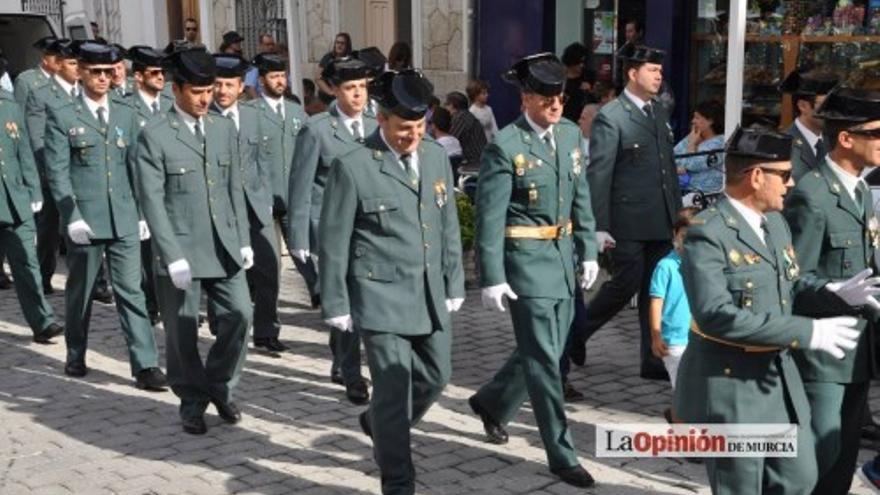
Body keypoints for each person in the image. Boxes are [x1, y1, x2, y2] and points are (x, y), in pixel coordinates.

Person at [674, 125, 873, 494]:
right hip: (733, 383)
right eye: (783, 175)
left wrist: (835, 292)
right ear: (756, 176)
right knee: (742, 486)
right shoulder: (709, 232)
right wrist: (808, 332)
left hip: (779, 378)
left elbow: (793, 282)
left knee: (799, 478)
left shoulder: (775, 224)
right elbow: (715, 315)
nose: (791, 183)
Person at [318, 68, 464, 495]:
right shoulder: (354, 165)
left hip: (429, 294)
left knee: (437, 376)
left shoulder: (436, 156)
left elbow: (447, 224)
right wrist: (336, 302)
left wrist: (454, 281)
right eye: (403, 128)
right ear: (381, 119)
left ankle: (378, 423)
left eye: (419, 127)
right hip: (379, 296)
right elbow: (334, 240)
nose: (412, 136)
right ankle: (398, 481)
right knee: (393, 389)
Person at [469, 53, 598, 488]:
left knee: (543, 348)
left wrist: (590, 248)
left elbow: (580, 194)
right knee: (546, 361)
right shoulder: (506, 146)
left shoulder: (568, 136)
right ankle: (561, 454)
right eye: (546, 99)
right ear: (526, 99)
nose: (556, 105)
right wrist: (491, 275)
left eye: (560, 97)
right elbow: (490, 215)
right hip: (525, 265)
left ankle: (492, 401)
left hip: (562, 261)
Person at [135, 47, 253, 435]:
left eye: (211, 90)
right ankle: (190, 400)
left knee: (240, 314)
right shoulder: (154, 136)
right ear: (176, 89)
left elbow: (234, 186)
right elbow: (151, 201)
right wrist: (171, 256)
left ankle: (218, 386)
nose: (207, 99)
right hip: (181, 249)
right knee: (182, 331)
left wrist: (244, 240)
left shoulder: (222, 128)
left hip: (223, 245)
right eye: (198, 92)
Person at [41, 42, 166, 390]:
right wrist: (72, 215)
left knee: (132, 292)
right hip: (86, 221)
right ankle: (76, 352)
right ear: (80, 72)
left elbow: (136, 168)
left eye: (107, 73)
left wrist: (142, 212)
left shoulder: (126, 113)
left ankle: (145, 364)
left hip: (124, 217)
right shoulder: (63, 114)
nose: (101, 79)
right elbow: (57, 172)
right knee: (80, 293)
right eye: (94, 72)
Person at [783, 67, 880, 495]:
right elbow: (791, 278)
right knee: (818, 456)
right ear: (847, 138)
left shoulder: (858, 190)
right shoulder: (813, 193)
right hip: (824, 352)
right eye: (876, 132)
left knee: (844, 454)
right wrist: (833, 291)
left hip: (860, 347)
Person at [571, 46, 681, 379]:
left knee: (655, 289)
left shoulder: (657, 111)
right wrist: (598, 225)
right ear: (632, 74)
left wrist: (677, 217)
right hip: (627, 221)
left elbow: (667, 169)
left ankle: (652, 358)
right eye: (652, 69)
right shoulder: (612, 115)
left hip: (661, 219)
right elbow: (600, 173)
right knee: (625, 284)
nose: (658, 75)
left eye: (660, 70)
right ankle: (575, 335)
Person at [288, 56, 375, 403]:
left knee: (360, 300)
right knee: (346, 300)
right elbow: (301, 184)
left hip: (368, 229)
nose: (358, 95)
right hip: (328, 230)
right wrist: (298, 238)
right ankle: (352, 373)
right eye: (351, 88)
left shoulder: (376, 125)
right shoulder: (317, 129)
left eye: (363, 88)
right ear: (335, 91)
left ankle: (341, 360)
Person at [211, 52, 278, 361]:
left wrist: (264, 199)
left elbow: (263, 161)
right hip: (220, 207)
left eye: (229, 84)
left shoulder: (254, 116)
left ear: (241, 87)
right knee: (221, 268)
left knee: (269, 268)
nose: (222, 91)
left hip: (254, 205)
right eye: (217, 84)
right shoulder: (205, 117)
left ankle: (266, 331)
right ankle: (222, 327)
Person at [0, 82, 65, 343]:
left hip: (15, 199)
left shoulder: (9, 105)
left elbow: (23, 150)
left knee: (27, 262)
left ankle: (43, 321)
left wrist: (34, 191)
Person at [243, 53, 308, 309]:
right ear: (261, 80)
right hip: (264, 201)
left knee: (305, 253)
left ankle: (320, 296)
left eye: (282, 76)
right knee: (270, 264)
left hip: (292, 197)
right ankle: (267, 327)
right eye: (274, 76)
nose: (280, 81)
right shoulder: (250, 112)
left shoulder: (295, 111)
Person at [26, 39, 81, 295]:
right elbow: (37, 137)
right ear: (58, 65)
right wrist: (48, 171)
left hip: (82, 171)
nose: (77, 68)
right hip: (53, 171)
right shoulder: (41, 94)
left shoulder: (85, 91)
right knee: (49, 229)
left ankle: (95, 281)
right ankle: (44, 275)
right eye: (72, 63)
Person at [127, 45, 173, 325]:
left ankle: (173, 302)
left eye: (163, 73)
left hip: (173, 190)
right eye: (154, 73)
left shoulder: (170, 103)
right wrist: (139, 210)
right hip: (144, 193)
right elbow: (131, 161)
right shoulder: (128, 109)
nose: (161, 78)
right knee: (150, 257)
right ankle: (152, 303)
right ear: (139, 77)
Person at [648, 206, 697, 420]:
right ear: (675, 235)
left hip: (698, 336)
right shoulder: (665, 266)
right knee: (684, 390)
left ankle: (677, 417)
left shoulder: (702, 264)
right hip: (674, 340)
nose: (688, 242)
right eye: (684, 236)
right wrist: (656, 335)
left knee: (696, 387)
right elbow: (656, 302)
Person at [779, 67, 839, 182]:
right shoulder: (784, 147)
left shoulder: (833, 142)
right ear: (803, 106)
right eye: (826, 105)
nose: (832, 112)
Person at [674, 99, 725, 197]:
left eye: (697, 118)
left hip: (705, 195)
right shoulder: (694, 135)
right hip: (683, 191)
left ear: (710, 121)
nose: (693, 121)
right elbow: (673, 156)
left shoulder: (720, 143)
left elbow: (692, 165)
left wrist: (692, 144)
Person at [444, 91, 486, 166]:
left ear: (452, 105)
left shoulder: (461, 118)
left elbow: (450, 139)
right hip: (477, 160)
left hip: (474, 162)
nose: (445, 108)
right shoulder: (466, 115)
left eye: (446, 104)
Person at [14, 36, 56, 106]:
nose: (59, 59)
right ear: (44, 59)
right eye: (55, 56)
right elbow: (19, 111)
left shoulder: (64, 79)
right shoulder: (25, 80)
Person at [316, 33, 352, 101]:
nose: (339, 45)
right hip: (328, 97)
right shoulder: (328, 57)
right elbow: (318, 78)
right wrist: (330, 92)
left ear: (347, 45)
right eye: (337, 42)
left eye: (342, 43)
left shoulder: (351, 58)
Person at [243, 33, 277, 99]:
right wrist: (260, 106)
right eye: (267, 44)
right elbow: (249, 87)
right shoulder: (256, 63)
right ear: (261, 46)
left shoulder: (276, 61)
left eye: (272, 44)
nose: (271, 47)